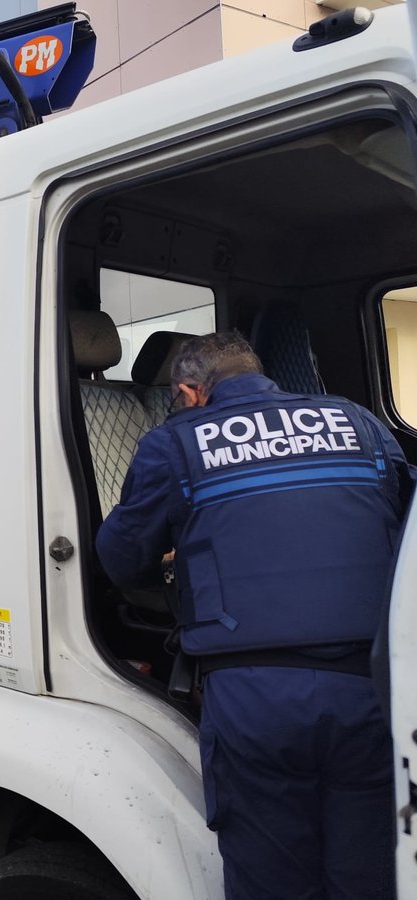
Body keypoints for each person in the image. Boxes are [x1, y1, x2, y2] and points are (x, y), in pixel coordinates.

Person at [96, 332, 414, 900]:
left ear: (191, 393)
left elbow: (121, 558)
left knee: (273, 879)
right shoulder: (357, 420)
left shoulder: (174, 443)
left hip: (255, 699)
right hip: (372, 688)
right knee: (371, 873)